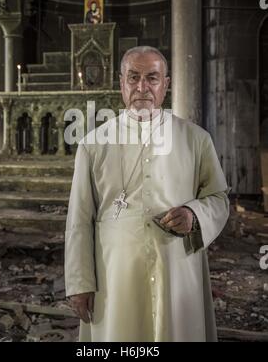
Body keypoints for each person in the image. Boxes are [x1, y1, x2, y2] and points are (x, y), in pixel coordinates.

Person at [65, 46, 230, 342]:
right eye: (134, 77)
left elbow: (218, 199)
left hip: (177, 270)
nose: (142, 87)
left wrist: (194, 214)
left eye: (152, 78)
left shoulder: (196, 139)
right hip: (114, 276)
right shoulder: (92, 145)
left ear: (166, 84)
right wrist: (79, 283)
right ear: (121, 83)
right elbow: (78, 220)